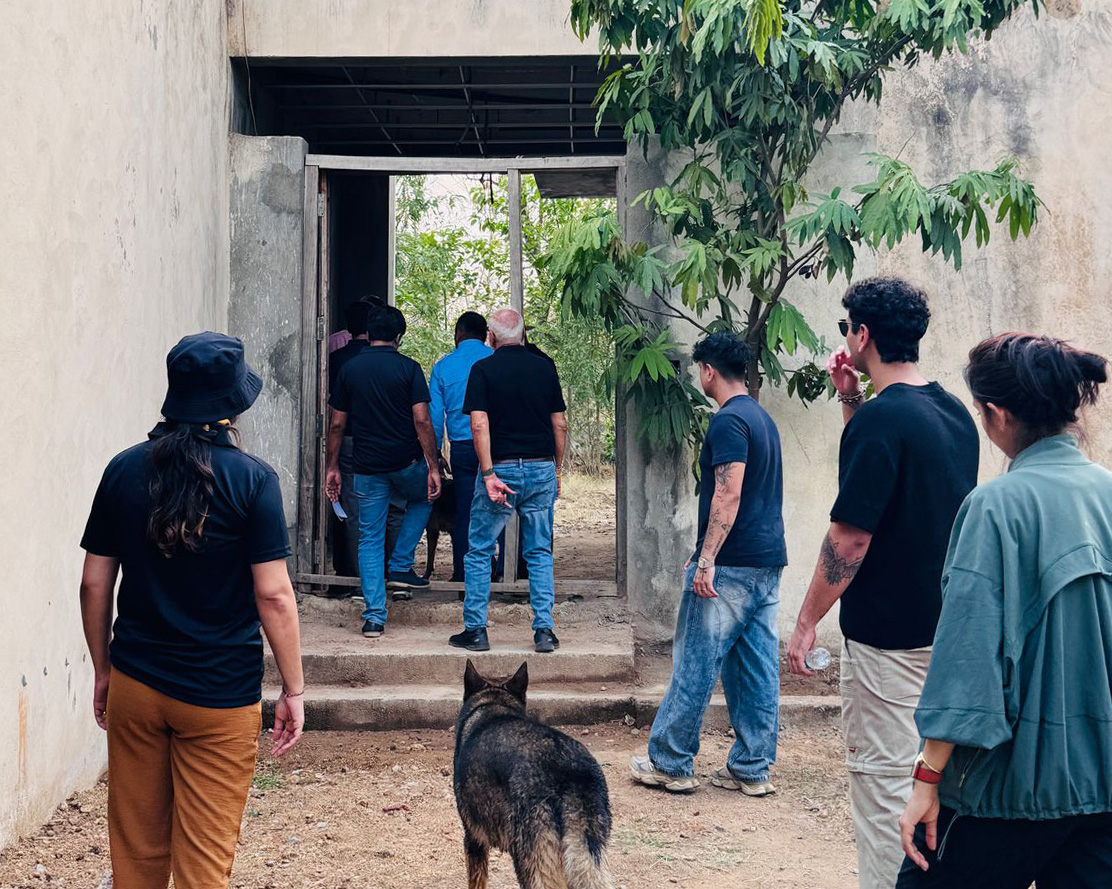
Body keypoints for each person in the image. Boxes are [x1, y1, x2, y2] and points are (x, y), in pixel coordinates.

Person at [78, 332, 305, 889]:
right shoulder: (254, 481)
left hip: (137, 682)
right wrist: (294, 689)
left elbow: (92, 582)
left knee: (136, 858)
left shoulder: (123, 471)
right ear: (232, 405)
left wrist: (104, 668)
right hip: (219, 695)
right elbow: (273, 595)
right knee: (204, 869)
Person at [897, 334, 1112, 887]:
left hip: (1007, 788)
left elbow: (967, 657)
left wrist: (927, 778)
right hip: (1104, 785)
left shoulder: (994, 506)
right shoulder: (1107, 494)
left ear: (995, 414)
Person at [785, 276, 979, 889]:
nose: (846, 338)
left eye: (848, 328)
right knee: (931, 787)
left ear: (862, 335)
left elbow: (851, 538)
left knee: (882, 788)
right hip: (943, 635)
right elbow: (879, 478)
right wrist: (850, 400)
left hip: (887, 649)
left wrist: (808, 616)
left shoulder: (882, 424)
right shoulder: (951, 413)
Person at [629, 332, 786, 795]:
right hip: (766, 561)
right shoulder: (762, 418)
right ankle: (752, 767)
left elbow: (729, 491)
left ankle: (672, 761)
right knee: (756, 665)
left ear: (710, 371)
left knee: (696, 660)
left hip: (732, 565)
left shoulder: (728, 422)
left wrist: (707, 559)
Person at [448, 308, 568, 654]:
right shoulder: (545, 368)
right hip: (540, 466)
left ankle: (475, 630)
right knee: (539, 551)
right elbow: (559, 424)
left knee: (481, 550)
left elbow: (478, 425)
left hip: (499, 469)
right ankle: (544, 631)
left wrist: (487, 473)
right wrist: (555, 469)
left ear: (491, 337)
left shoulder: (482, 369)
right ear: (522, 335)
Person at [325, 305, 441, 638]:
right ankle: (402, 563)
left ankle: (374, 617)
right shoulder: (409, 368)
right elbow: (421, 420)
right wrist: (433, 466)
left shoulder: (350, 368)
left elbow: (336, 423)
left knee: (369, 538)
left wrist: (332, 465)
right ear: (399, 338)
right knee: (425, 497)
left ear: (369, 335)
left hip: (366, 467)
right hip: (405, 463)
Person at [428, 311, 505, 583]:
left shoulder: (443, 367)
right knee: (501, 506)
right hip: (498, 448)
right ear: (486, 335)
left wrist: (435, 454)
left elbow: (435, 418)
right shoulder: (496, 360)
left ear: (457, 334)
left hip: (461, 448)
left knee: (464, 512)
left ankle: (464, 576)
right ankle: (502, 572)